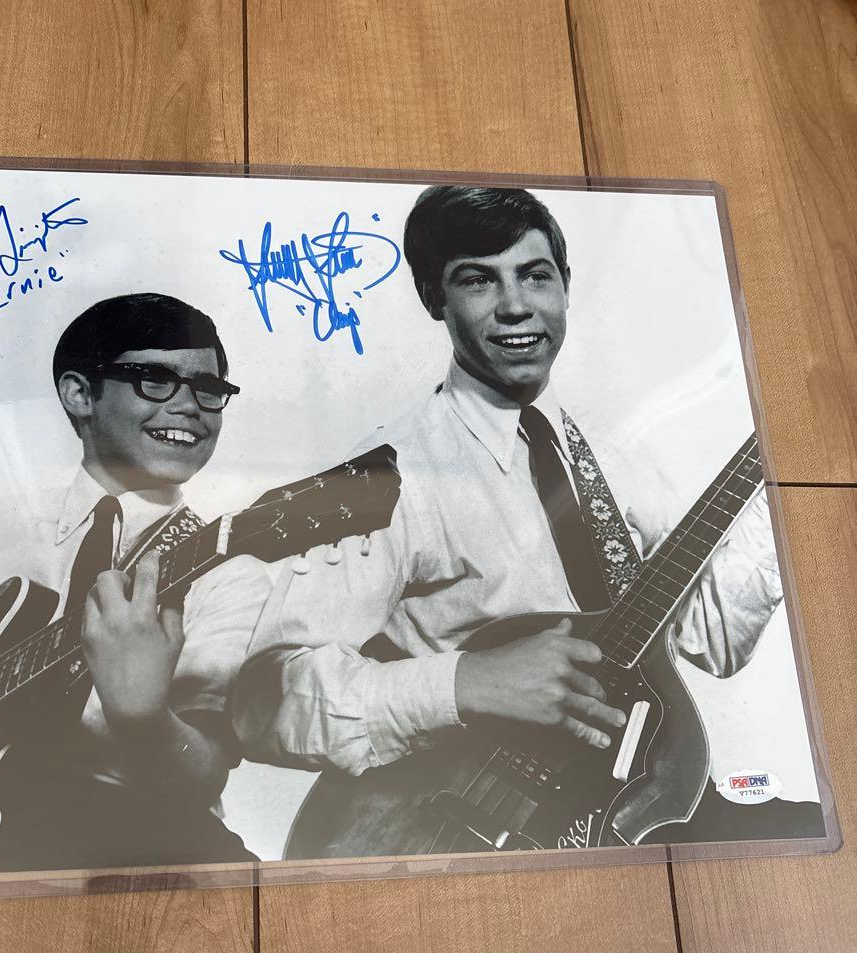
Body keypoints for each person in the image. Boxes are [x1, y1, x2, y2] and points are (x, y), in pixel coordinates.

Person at [233, 185, 823, 845]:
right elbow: (260, 696)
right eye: (478, 280)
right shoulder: (387, 478)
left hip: (630, 800)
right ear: (432, 296)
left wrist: (792, 459)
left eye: (535, 276)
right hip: (466, 824)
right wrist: (466, 683)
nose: (516, 306)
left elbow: (710, 640)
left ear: (565, 285)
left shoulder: (610, 457)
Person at [0, 293, 271, 869]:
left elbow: (203, 777)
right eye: (155, 380)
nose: (190, 407)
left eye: (209, 389)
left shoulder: (229, 574)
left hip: (117, 841)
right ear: (79, 394)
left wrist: (143, 718)